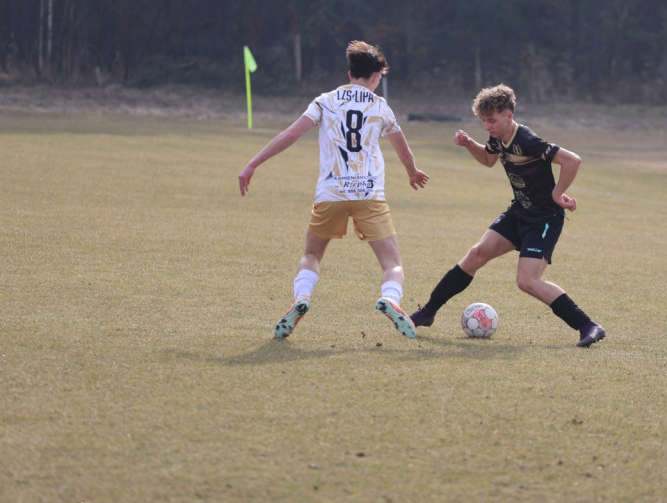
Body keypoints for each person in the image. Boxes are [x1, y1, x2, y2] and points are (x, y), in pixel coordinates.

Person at [238, 40, 429, 340]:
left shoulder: (325, 101)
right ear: (376, 77)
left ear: (349, 73)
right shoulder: (380, 106)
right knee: (392, 264)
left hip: (331, 194)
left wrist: (253, 163)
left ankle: (302, 298)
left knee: (312, 255)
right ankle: (390, 299)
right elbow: (402, 148)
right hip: (369, 195)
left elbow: (291, 134)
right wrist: (412, 172)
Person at [408, 84, 605, 348]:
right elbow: (489, 160)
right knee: (476, 254)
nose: (487, 126)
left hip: (544, 219)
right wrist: (469, 144)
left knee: (527, 281)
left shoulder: (527, 141)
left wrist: (557, 194)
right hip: (519, 212)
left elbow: (573, 161)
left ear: (508, 116)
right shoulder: (498, 137)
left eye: (491, 120)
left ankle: (588, 326)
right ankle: (428, 312)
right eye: (483, 121)